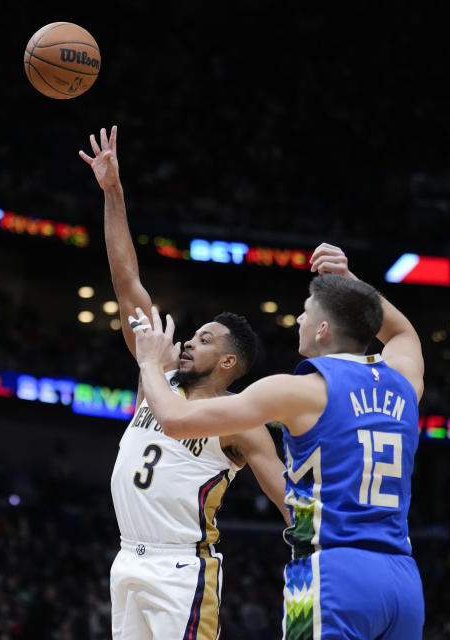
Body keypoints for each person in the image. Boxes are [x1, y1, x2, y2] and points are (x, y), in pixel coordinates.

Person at [131, 243, 425, 639]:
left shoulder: (299, 391)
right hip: (403, 579)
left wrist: (149, 362)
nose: (299, 317)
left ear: (323, 330)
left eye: (306, 312)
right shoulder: (404, 382)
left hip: (334, 573)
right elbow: (402, 331)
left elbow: (174, 419)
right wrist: (349, 283)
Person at [79, 126, 290, 639]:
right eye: (192, 336)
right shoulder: (159, 375)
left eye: (205, 339)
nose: (190, 342)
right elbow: (126, 280)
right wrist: (113, 193)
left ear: (229, 362)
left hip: (182, 570)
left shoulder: (240, 418)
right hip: (127, 558)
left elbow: (290, 499)